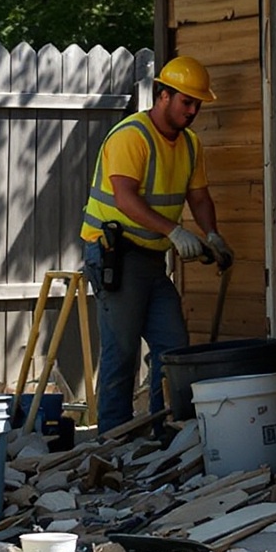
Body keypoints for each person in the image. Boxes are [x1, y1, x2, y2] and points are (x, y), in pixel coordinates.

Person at [79, 55, 230, 431]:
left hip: (150, 258)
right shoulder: (132, 136)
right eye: (186, 102)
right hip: (115, 252)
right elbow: (125, 199)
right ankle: (113, 437)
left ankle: (166, 428)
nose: (193, 110)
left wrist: (212, 234)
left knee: (173, 347)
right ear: (162, 96)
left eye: (197, 104)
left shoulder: (191, 145)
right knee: (123, 350)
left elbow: (199, 197)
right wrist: (175, 232)